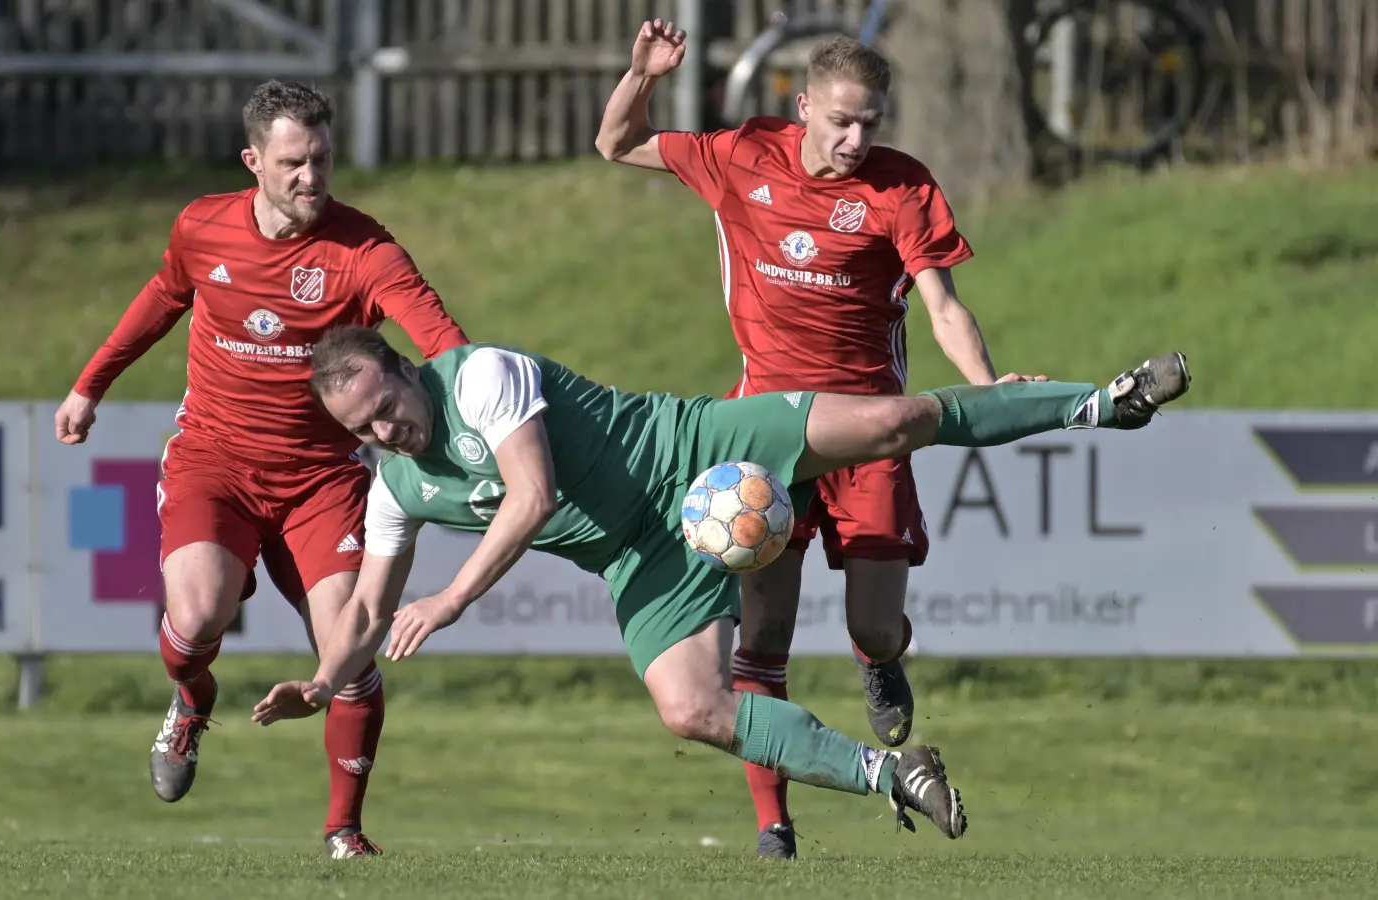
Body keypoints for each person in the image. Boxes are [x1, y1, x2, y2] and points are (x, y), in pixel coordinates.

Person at [248, 326, 1191, 841]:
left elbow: (530, 496)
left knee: (897, 420)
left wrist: (450, 601)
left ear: (407, 374)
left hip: (693, 447)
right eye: (363, 431)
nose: (385, 435)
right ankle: (893, 777)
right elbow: (368, 605)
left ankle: (1101, 402)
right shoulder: (396, 488)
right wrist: (326, 679)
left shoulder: (480, 377)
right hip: (642, 558)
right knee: (691, 709)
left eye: (387, 410)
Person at [594, 21, 1034, 856]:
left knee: (873, 625)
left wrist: (984, 391)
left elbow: (942, 307)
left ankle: (879, 660)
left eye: (870, 121)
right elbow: (615, 142)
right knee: (761, 637)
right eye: (839, 119)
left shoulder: (900, 188)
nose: (855, 137)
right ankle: (773, 823)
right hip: (765, 435)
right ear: (802, 109)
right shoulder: (743, 154)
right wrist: (641, 73)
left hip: (867, 431)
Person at [53, 80, 470, 858]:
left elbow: (442, 339)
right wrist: (89, 385)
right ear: (253, 162)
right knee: (201, 613)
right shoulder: (202, 227)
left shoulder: (363, 249)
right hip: (216, 460)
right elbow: (161, 296)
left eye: (322, 159)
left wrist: (479, 403)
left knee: (349, 647)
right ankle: (191, 698)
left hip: (322, 478)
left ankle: (344, 831)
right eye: (293, 163)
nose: (312, 177)